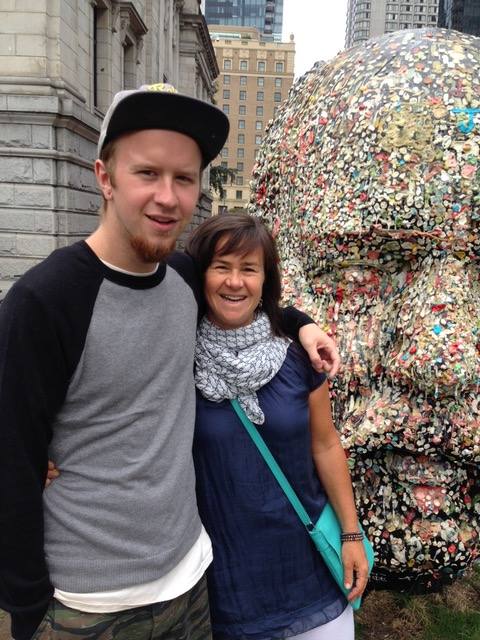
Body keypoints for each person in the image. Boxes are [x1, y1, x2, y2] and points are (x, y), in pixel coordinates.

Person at [0, 83, 340, 640]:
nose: (167, 196)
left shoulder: (184, 279)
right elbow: (11, 461)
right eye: (147, 174)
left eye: (183, 179)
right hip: (84, 604)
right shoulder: (46, 300)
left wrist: (303, 326)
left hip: (191, 583)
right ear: (105, 178)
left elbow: (250, 300)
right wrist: (28, 605)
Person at [186, 213, 369, 640]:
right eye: (222, 267)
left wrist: (350, 533)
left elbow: (325, 446)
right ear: (201, 275)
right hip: (227, 581)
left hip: (308, 566)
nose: (235, 282)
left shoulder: (298, 357)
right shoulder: (178, 360)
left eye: (249, 269)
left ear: (265, 280)